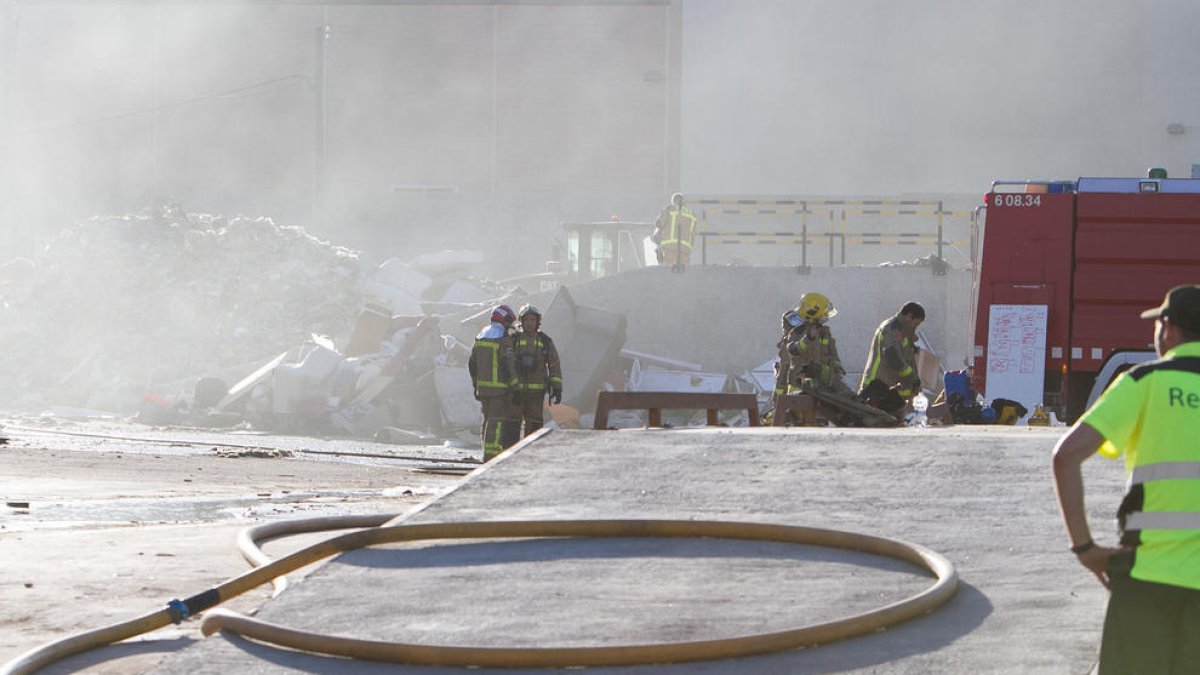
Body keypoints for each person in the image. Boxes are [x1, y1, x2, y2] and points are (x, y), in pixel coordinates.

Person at [1052, 284, 1200, 674]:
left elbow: (1066, 456)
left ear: (1168, 328)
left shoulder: (1145, 382)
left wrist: (1085, 548)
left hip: (1148, 578)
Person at [468, 304, 519, 461]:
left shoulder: (481, 335)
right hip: (500, 390)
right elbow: (508, 364)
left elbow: (472, 364)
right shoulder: (502, 338)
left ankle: (486, 452)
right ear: (504, 319)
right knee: (496, 422)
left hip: (483, 389)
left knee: (486, 420)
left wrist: (476, 385)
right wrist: (515, 385)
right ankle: (491, 456)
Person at [858, 301, 925, 416]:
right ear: (909, 317)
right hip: (877, 386)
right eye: (916, 323)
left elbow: (905, 358)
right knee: (872, 418)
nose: (915, 327)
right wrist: (912, 377)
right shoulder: (893, 329)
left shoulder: (903, 331)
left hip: (888, 388)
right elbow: (893, 358)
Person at [785, 292, 856, 400]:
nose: (826, 316)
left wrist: (836, 367)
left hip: (822, 389)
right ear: (812, 313)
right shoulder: (797, 331)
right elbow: (793, 350)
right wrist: (808, 338)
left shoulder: (824, 332)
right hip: (800, 392)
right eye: (824, 313)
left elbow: (832, 355)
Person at [512, 303, 563, 438]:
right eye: (526, 320)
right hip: (516, 393)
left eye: (532, 320)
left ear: (537, 322)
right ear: (521, 321)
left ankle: (532, 451)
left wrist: (557, 388)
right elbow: (506, 365)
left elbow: (554, 364)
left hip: (536, 395)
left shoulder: (545, 341)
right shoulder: (513, 340)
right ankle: (511, 451)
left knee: (534, 427)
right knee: (512, 426)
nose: (529, 323)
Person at [651, 192, 697, 270]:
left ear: (673, 202)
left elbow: (658, 224)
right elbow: (693, 232)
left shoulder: (669, 210)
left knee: (669, 271)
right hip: (685, 248)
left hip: (670, 246)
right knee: (685, 271)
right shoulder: (692, 214)